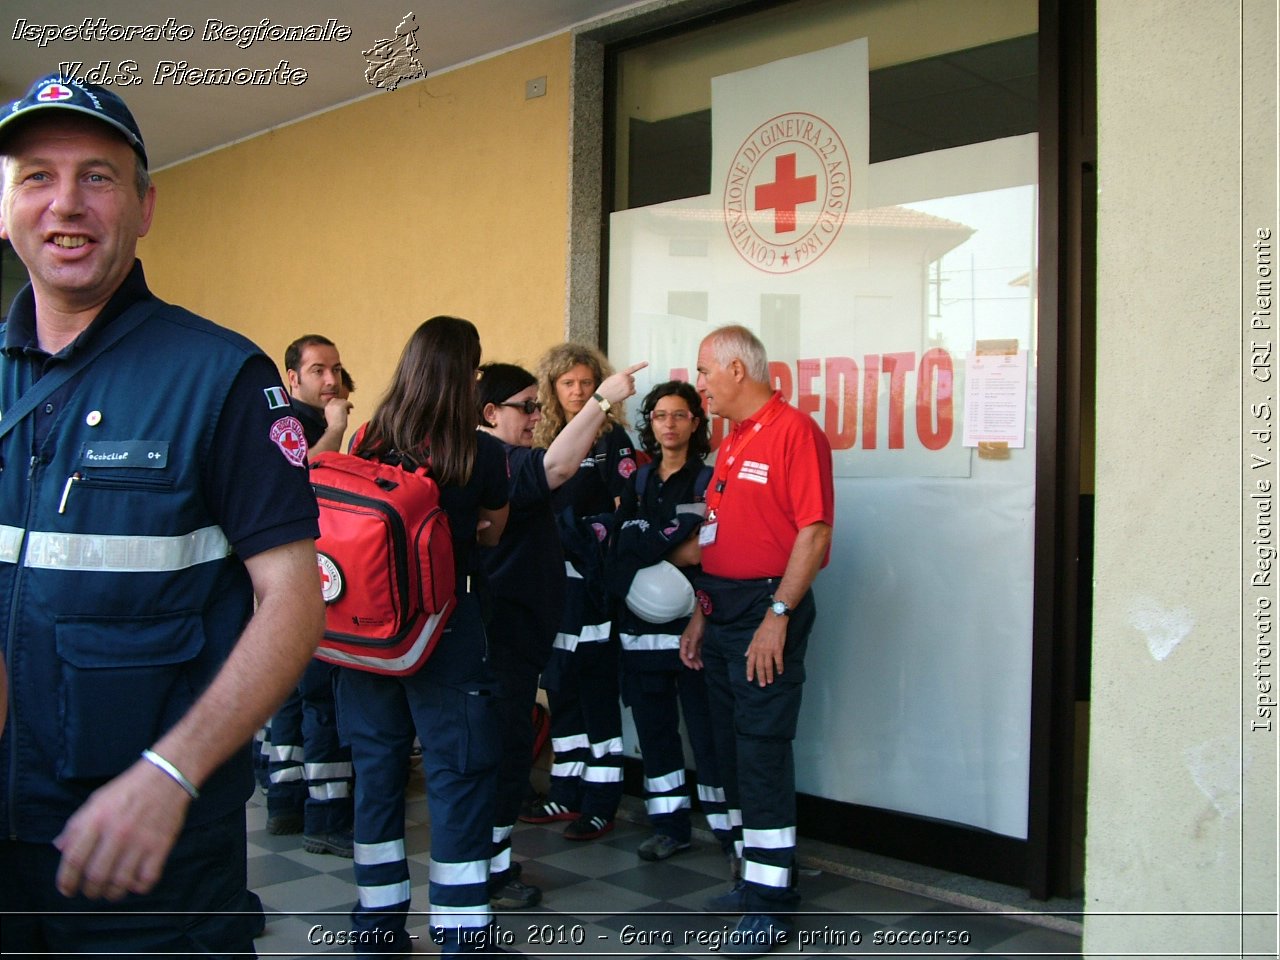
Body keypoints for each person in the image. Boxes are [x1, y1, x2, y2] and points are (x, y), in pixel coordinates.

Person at [0, 74, 324, 955]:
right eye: (36, 175)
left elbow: (294, 602)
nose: (67, 202)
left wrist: (171, 772)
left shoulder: (221, 377)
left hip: (153, 862)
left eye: (98, 176)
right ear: (4, 206)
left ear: (145, 206)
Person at [332, 316, 509, 956]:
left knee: (377, 773)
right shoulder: (478, 451)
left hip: (369, 635)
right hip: (446, 629)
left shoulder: (369, 436)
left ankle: (377, 928)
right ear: (466, 373)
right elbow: (492, 529)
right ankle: (462, 934)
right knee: (458, 775)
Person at [680, 325, 834, 955]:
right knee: (730, 747)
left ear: (737, 369)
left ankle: (772, 897)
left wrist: (778, 614)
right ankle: (752, 878)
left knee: (762, 747)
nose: (700, 385)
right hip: (721, 613)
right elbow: (718, 537)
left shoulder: (795, 432)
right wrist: (699, 613)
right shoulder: (733, 439)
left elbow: (814, 533)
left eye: (704, 372)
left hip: (765, 613)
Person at [476, 359, 643, 906]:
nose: (536, 415)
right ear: (490, 412)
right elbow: (558, 469)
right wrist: (604, 400)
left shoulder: (497, 454)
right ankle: (487, 877)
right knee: (500, 754)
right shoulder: (494, 460)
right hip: (502, 636)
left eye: (536, 407)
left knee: (572, 701)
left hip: (548, 618)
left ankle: (505, 857)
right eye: (528, 406)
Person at [607, 381, 733, 863]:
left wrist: (649, 548)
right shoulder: (638, 482)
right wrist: (665, 548)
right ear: (651, 423)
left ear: (695, 423)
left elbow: (708, 549)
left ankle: (727, 830)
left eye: (680, 415)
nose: (670, 424)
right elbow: (621, 547)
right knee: (656, 732)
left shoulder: (708, 481)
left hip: (693, 629)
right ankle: (669, 826)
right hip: (641, 632)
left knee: (707, 733)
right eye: (661, 415)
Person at [521, 343, 638, 841]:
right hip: (551, 589)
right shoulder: (539, 441)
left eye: (587, 383)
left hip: (595, 587)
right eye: (567, 383)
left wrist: (584, 534)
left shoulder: (614, 441)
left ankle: (601, 800)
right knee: (563, 684)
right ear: (552, 389)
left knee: (596, 689)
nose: (577, 391)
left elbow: (624, 510)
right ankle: (566, 792)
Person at [259, 335, 357, 856]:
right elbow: (305, 478)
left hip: (321, 578)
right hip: (304, 582)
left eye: (336, 370)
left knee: (300, 698)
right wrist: (338, 429)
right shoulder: (288, 425)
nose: (331, 381)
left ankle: (287, 800)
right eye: (318, 370)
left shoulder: (319, 421)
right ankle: (324, 814)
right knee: (317, 699)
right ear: (292, 377)